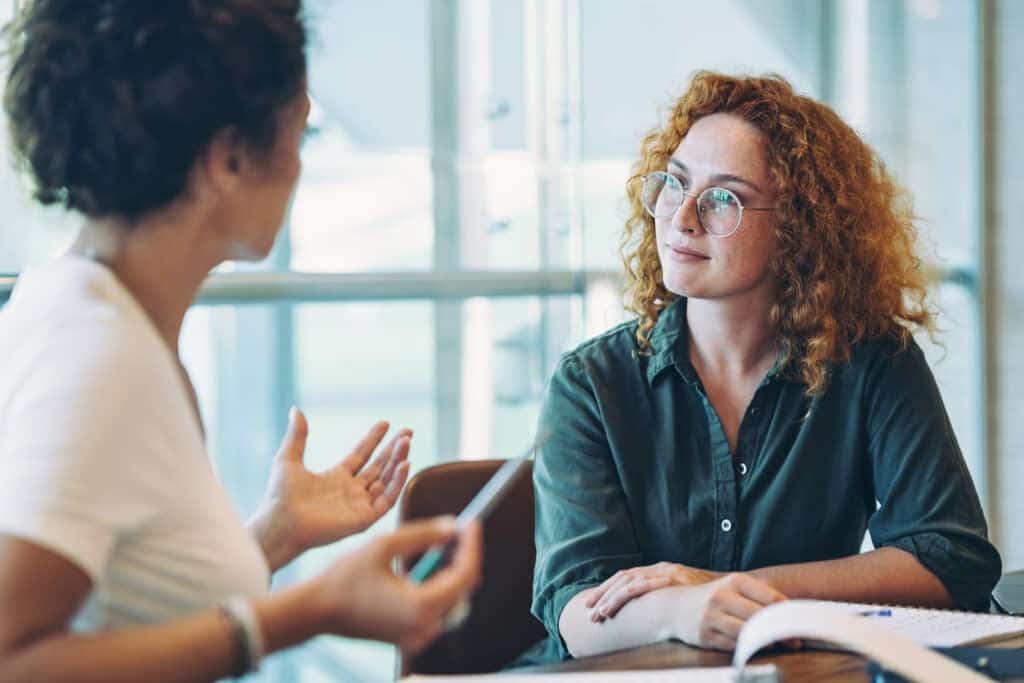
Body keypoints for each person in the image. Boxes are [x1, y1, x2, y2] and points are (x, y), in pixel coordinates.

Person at [0, 1, 481, 681]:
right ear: (229, 159)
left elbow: (121, 611)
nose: (299, 166)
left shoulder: (76, 298)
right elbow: (12, 658)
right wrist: (310, 610)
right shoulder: (102, 353)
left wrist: (271, 539)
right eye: (300, 133)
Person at [528, 71, 1001, 662]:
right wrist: (682, 608)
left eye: (724, 198)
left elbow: (950, 557)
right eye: (675, 184)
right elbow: (577, 612)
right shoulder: (591, 383)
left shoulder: (873, 361)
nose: (683, 218)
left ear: (798, 231)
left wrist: (739, 593)